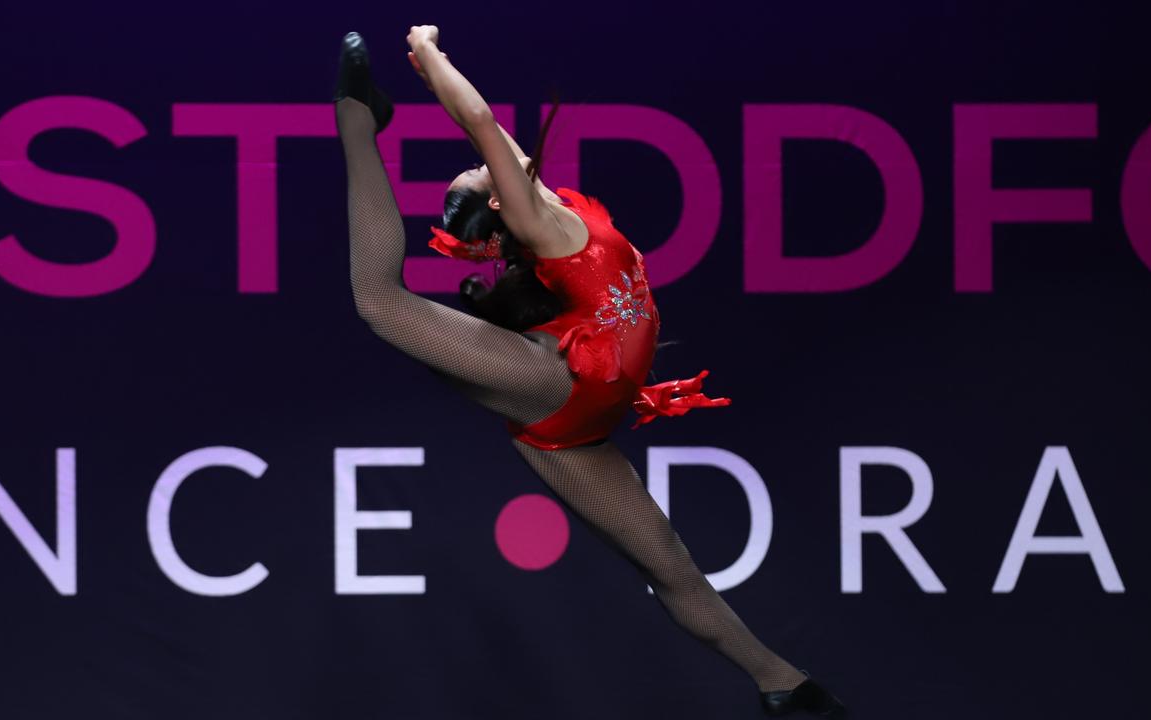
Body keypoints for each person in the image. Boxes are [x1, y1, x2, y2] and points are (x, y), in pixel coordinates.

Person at [333, 26, 847, 717]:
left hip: (580, 424)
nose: (484, 165)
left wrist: (434, 75)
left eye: (475, 170)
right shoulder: (533, 219)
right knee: (379, 303)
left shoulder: (542, 202)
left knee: (667, 562)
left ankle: (783, 685)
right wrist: (429, 52)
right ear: (497, 203)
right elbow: (478, 121)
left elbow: (491, 138)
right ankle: (358, 116)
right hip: (557, 386)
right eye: (480, 172)